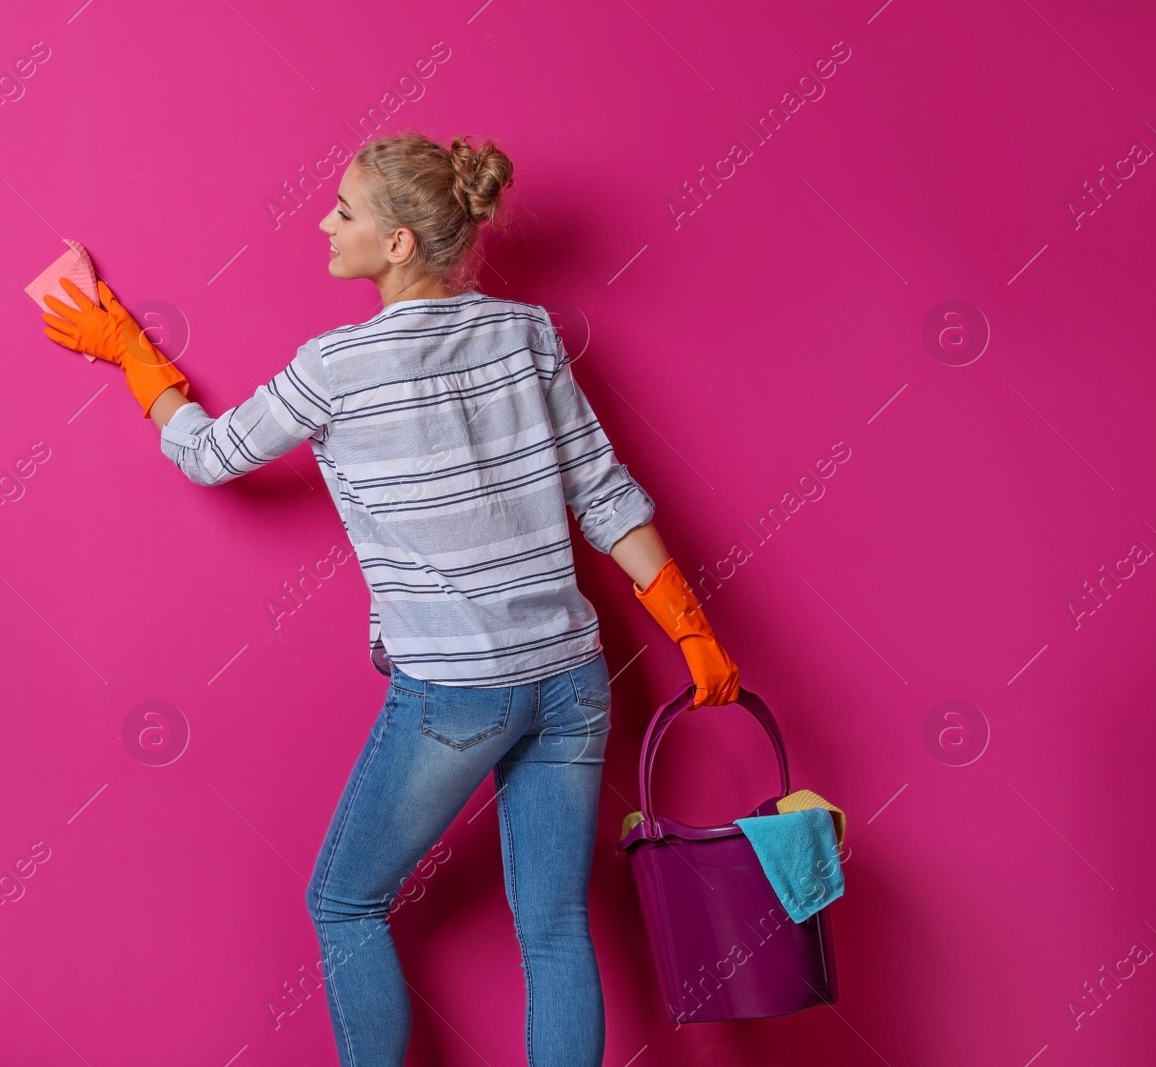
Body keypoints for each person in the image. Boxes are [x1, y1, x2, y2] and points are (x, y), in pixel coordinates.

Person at [41, 129, 740, 1067]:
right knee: (557, 930)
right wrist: (693, 631)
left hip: (457, 690)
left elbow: (212, 456)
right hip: (574, 676)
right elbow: (606, 496)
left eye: (345, 210)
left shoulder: (336, 367)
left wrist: (130, 350)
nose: (325, 224)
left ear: (402, 242)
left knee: (344, 900)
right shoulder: (527, 333)